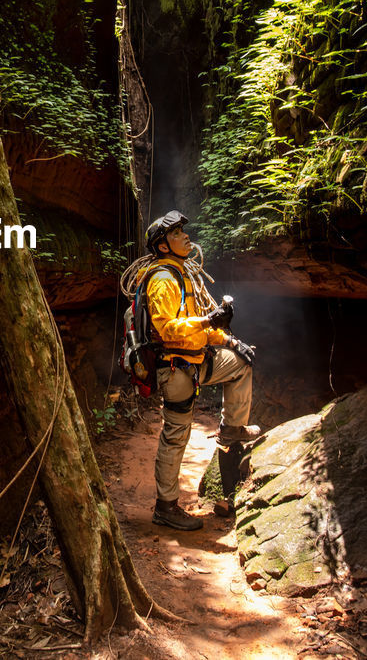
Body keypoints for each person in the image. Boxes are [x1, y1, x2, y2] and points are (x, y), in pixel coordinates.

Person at [136, 210, 260, 531]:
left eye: (182, 231)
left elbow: (199, 330)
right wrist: (209, 320)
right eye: (176, 233)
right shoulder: (163, 280)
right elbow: (167, 330)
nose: (185, 236)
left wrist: (231, 341)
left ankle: (231, 428)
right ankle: (165, 506)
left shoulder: (182, 275)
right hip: (175, 368)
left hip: (196, 361)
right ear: (163, 246)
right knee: (176, 436)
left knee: (240, 365)